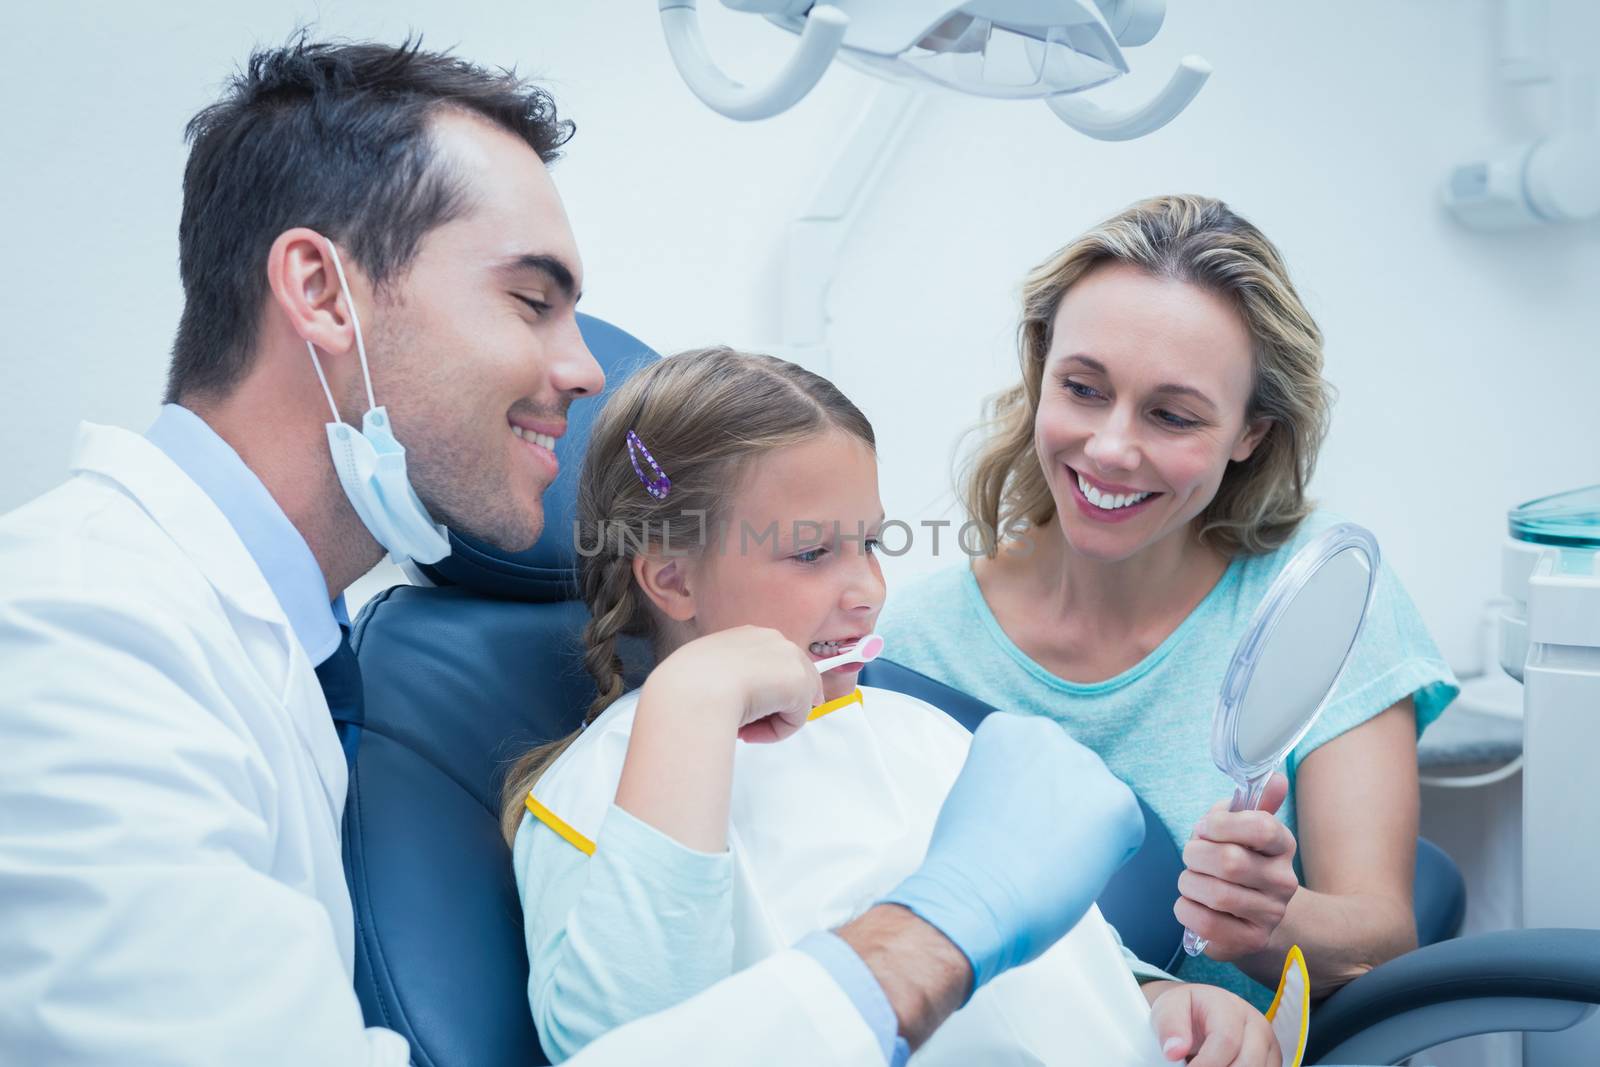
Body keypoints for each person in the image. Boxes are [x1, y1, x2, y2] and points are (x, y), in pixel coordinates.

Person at [0, 38, 1154, 1066]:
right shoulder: (72, 635)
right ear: (321, 290)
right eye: (530, 300)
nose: (587, 369)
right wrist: (930, 936)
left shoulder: (283, 647)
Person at [503, 347, 1284, 1066]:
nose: (870, 591)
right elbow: (622, 1043)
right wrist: (692, 706)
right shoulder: (605, 788)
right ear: (671, 580)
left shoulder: (922, 733)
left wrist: (1161, 998)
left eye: (871, 544)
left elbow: (1061, 958)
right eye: (811, 553)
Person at [877, 194, 1459, 1007]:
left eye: (1173, 415)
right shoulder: (917, 641)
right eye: (1081, 388)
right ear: (1040, 371)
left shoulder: (1315, 599)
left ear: (1251, 432)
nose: (1112, 447)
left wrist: (1266, 921)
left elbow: (1383, 937)